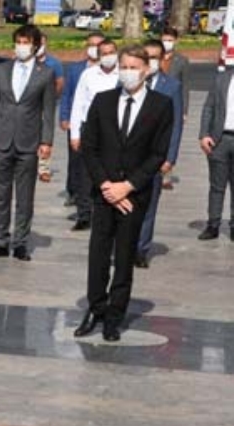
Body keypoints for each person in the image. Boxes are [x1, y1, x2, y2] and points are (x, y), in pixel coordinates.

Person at [73, 45, 172, 343]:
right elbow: (90, 146)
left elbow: (157, 154)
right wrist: (106, 185)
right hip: (104, 193)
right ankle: (95, 308)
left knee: (125, 255)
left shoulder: (161, 105)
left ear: (146, 70)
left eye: (133, 67)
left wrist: (127, 186)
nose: (128, 72)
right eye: (124, 67)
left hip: (133, 195)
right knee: (98, 254)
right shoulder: (103, 101)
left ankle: (114, 316)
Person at [0, 25, 55, 262]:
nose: (21, 46)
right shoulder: (2, 70)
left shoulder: (46, 73)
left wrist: (47, 140)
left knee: (25, 196)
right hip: (2, 138)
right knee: (1, 193)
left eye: (26, 42)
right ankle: (0, 240)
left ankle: (20, 242)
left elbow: (48, 111)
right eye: (18, 42)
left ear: (35, 45)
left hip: (28, 141)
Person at [135, 39, 183, 267]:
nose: (151, 61)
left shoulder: (171, 86)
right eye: (147, 57)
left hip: (155, 155)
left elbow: (176, 124)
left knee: (148, 206)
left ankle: (141, 250)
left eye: (155, 57)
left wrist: (169, 158)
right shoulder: (130, 81)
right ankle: (123, 247)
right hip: (129, 154)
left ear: (163, 59)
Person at [69, 39, 118, 232]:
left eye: (111, 52)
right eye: (104, 53)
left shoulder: (122, 75)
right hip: (90, 128)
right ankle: (84, 215)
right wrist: (75, 134)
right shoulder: (88, 75)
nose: (108, 56)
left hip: (114, 129)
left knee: (110, 171)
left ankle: (107, 212)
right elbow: (78, 104)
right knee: (85, 175)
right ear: (99, 55)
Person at [60, 31, 104, 206]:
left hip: (98, 123)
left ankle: (91, 193)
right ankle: (73, 191)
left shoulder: (109, 71)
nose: (94, 48)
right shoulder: (75, 69)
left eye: (98, 45)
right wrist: (64, 116)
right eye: (91, 45)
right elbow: (67, 94)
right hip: (77, 120)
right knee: (75, 158)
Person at [197, 62, 234, 241]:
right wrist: (204, 134)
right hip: (219, 140)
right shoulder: (222, 78)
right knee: (216, 186)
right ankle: (213, 224)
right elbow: (208, 107)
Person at [160, 25, 189, 190]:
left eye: (170, 40)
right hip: (155, 102)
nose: (167, 43)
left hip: (172, 104)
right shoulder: (155, 57)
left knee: (171, 138)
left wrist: (184, 110)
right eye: (165, 39)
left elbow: (185, 87)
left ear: (176, 41)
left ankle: (166, 175)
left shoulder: (181, 61)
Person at [36, 33, 64, 182]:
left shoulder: (54, 63)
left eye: (42, 43)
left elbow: (60, 82)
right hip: (28, 105)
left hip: (46, 104)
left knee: (45, 136)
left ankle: (44, 168)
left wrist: (52, 98)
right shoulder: (27, 62)